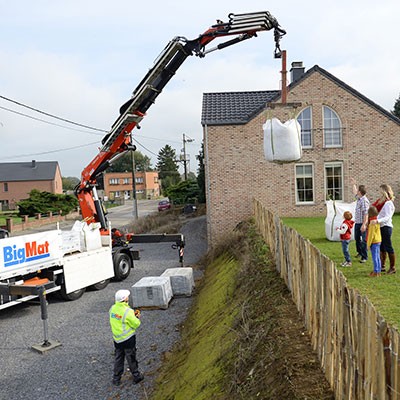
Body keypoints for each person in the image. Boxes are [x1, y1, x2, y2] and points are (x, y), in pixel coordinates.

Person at [109, 289, 144, 386]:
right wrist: (136, 317)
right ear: (124, 299)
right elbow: (136, 324)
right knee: (131, 357)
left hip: (117, 340)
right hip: (128, 339)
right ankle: (136, 376)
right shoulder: (128, 311)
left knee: (118, 358)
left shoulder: (112, 309)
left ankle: (116, 378)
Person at [370, 184, 396, 274]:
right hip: (381, 226)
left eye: (381, 191)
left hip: (386, 227)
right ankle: (382, 266)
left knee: (388, 246)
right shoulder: (383, 202)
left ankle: (392, 267)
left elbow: (387, 217)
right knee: (382, 247)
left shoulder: (388, 203)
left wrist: (377, 221)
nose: (379, 193)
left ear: (385, 191)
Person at [351, 178, 370, 263]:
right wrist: (353, 184)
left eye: (358, 190)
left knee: (363, 240)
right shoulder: (359, 199)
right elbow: (354, 193)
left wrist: (364, 224)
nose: (357, 191)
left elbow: (366, 214)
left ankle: (364, 256)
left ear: (360, 192)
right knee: (357, 238)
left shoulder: (364, 201)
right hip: (357, 222)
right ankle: (359, 252)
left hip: (362, 223)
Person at [366, 206, 382, 277]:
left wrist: (368, 244)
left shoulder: (372, 223)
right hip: (378, 240)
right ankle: (378, 270)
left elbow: (371, 235)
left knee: (374, 257)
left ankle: (376, 271)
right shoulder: (377, 220)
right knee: (378, 256)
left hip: (374, 242)